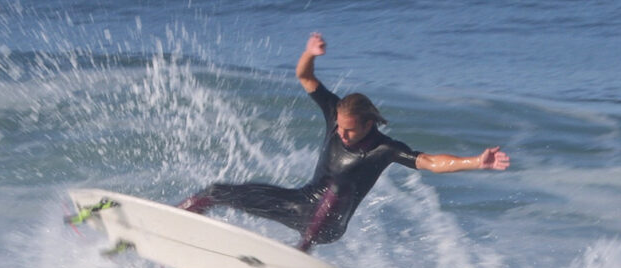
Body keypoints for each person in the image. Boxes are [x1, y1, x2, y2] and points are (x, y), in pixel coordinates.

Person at [178, 32, 510, 252]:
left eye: (350, 131)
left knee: (340, 188)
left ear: (368, 124)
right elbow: (306, 77)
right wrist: (309, 53)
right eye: (339, 127)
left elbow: (430, 161)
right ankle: (175, 219)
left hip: (327, 227)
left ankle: (301, 251)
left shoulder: (384, 148)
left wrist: (475, 162)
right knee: (217, 191)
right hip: (300, 204)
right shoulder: (335, 115)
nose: (341, 134)